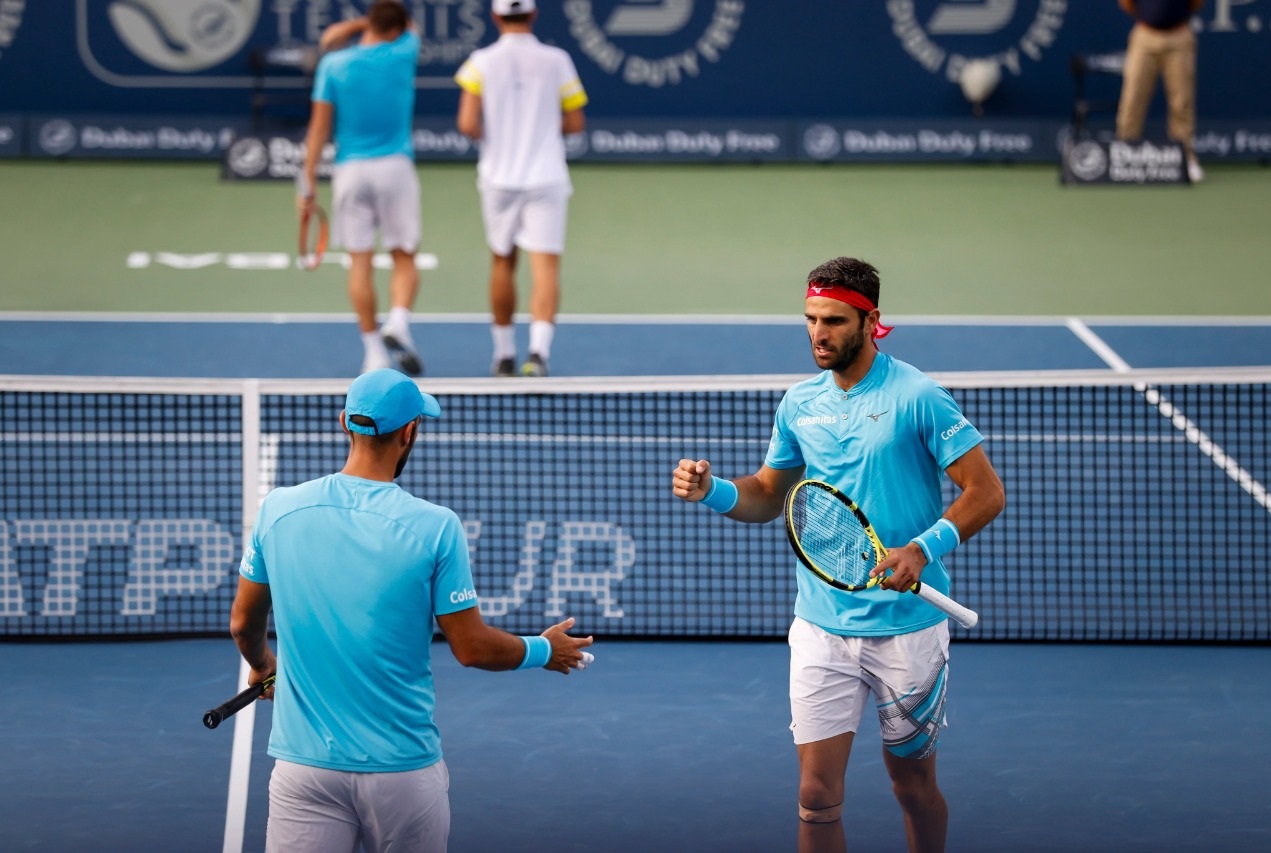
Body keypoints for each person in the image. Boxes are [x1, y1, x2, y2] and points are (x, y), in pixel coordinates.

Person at [671, 257, 1005, 853]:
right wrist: (713, 491)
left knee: (912, 785)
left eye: (833, 320)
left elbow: (986, 492)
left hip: (907, 629)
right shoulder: (798, 404)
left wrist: (923, 550)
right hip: (821, 627)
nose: (818, 334)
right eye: (809, 319)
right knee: (816, 797)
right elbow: (770, 496)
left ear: (871, 321)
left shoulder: (919, 397)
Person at [230, 367, 595, 851]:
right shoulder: (435, 528)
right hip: (401, 774)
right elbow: (471, 648)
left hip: (304, 769)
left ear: (345, 422)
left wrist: (263, 666)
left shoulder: (278, 510)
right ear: (409, 432)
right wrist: (542, 650)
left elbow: (242, 623)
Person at [454, 0, 588, 377]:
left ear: (496, 16)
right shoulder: (557, 59)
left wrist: (495, 140)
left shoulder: (480, 61)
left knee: (502, 261)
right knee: (545, 266)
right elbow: (575, 122)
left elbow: (466, 122)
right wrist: (543, 132)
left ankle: (503, 355)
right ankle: (539, 354)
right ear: (533, 15)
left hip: (498, 179)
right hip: (546, 177)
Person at [298, 1, 425, 375]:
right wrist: (365, 23)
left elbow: (319, 129)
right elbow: (410, 27)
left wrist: (307, 185)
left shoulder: (333, 65)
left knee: (360, 263)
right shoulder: (405, 51)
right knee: (404, 256)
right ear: (395, 29)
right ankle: (398, 323)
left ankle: (373, 354)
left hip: (351, 173)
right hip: (396, 169)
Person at [1115, 0, 1205, 182]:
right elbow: (1126, 3)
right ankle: (1124, 156)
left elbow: (1196, 2)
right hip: (1144, 35)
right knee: (1132, 99)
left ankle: (1185, 159)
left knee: (1182, 102)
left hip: (1179, 36)